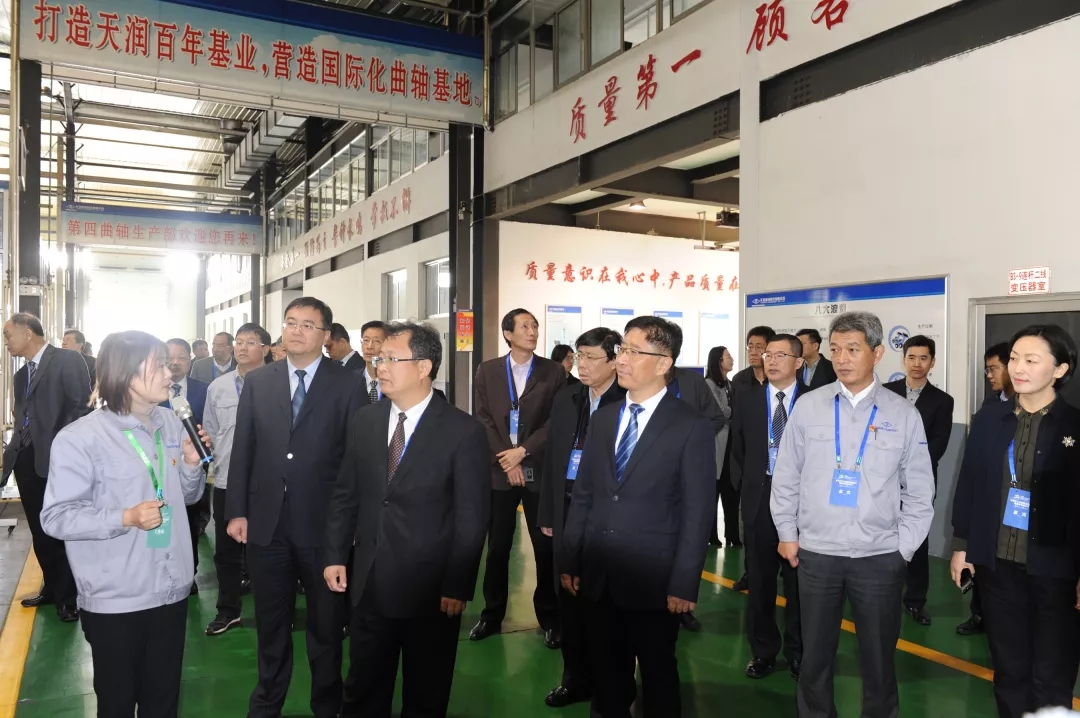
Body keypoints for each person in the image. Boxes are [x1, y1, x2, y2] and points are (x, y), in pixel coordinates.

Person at [771, 311, 935, 718]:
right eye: (836, 349)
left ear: (877, 353)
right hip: (817, 553)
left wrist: (903, 549)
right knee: (815, 658)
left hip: (879, 556)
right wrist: (787, 533)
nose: (842, 358)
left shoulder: (903, 414)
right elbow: (787, 475)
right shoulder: (809, 407)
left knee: (879, 661)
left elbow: (919, 490)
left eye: (853, 349)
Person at [40, 330, 209, 718]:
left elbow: (186, 497)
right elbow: (56, 516)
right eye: (159, 366)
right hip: (117, 596)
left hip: (170, 589)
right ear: (127, 373)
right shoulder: (80, 438)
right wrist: (125, 517)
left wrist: (189, 464)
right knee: (117, 702)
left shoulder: (171, 423)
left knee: (162, 700)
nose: (170, 373)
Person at [325, 322, 489, 718]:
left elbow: (471, 519)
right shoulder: (366, 420)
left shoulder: (462, 431)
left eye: (390, 359)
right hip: (369, 581)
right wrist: (335, 556)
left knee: (425, 693)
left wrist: (457, 583)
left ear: (423, 367)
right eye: (379, 358)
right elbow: (346, 494)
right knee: (363, 688)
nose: (379, 366)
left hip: (429, 591)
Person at [561, 316, 714, 718]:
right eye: (621, 350)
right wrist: (571, 559)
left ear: (663, 363)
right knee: (607, 674)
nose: (622, 359)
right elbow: (585, 495)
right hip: (599, 575)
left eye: (633, 351)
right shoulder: (604, 418)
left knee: (658, 673)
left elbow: (697, 513)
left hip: (654, 580)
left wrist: (684, 582)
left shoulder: (690, 426)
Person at [225, 297, 367, 718]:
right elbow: (244, 448)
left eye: (308, 324)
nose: (297, 330)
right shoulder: (259, 381)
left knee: (326, 627)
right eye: (290, 322)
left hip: (324, 527)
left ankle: (328, 704)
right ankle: (267, 702)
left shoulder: (347, 383)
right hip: (266, 524)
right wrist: (237, 510)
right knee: (271, 623)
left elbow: (356, 459)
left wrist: (352, 523)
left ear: (326, 335)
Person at [950, 325, 1080, 718]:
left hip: (1056, 569)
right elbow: (970, 481)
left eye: (1031, 360)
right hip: (998, 566)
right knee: (1009, 670)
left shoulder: (1074, 426)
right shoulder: (990, 419)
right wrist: (962, 544)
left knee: (1052, 674)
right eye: (1013, 359)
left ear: (1060, 369)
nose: (1017, 368)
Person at [538, 327, 625, 710]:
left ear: (615, 360)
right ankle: (574, 680)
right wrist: (548, 512)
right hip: (567, 512)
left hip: (606, 517)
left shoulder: (626, 401)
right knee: (568, 603)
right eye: (579, 356)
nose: (582, 365)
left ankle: (611, 687)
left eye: (591, 358)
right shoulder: (567, 397)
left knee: (603, 608)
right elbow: (553, 459)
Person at [470, 308, 564, 647]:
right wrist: (506, 459)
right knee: (497, 548)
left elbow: (556, 420)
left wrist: (522, 452)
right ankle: (491, 615)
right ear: (508, 334)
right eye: (525, 326)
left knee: (544, 547)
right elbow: (482, 418)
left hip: (538, 468)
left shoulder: (553, 371)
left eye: (535, 325)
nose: (533, 330)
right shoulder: (488, 370)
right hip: (499, 470)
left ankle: (550, 618)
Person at [2, 313, 91, 622]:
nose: (6, 342)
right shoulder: (20, 376)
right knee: (40, 532)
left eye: (8, 334)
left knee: (61, 529)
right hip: (25, 460)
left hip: (59, 460)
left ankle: (69, 597)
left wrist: (61, 449)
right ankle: (53, 588)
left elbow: (81, 407)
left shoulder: (67, 360)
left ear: (28, 333)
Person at [732, 334, 807, 680]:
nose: (771, 361)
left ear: (798, 362)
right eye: (768, 354)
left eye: (780, 355)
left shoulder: (815, 401)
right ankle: (763, 651)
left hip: (802, 502)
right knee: (760, 581)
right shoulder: (747, 400)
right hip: (760, 496)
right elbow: (739, 451)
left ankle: (798, 652)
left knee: (798, 583)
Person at [202, 323, 270, 635]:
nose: (242, 347)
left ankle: (273, 612)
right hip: (228, 480)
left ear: (265, 349)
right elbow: (211, 430)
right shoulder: (218, 387)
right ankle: (227, 610)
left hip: (268, 483)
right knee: (226, 552)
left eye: (250, 342)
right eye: (239, 342)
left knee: (268, 551)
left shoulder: (281, 384)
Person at [884, 335, 955, 626]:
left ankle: (915, 600)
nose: (917, 363)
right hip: (881, 479)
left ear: (932, 362)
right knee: (881, 535)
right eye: (912, 357)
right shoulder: (884, 392)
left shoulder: (942, 401)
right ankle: (879, 592)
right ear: (904, 359)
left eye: (923, 358)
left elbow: (938, 444)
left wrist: (906, 465)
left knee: (917, 539)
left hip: (919, 482)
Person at [959, 342, 1015, 637]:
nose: (989, 375)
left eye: (994, 369)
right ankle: (979, 615)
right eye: (987, 370)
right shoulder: (990, 408)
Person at [161, 338, 210, 582]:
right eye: (169, 358)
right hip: (161, 465)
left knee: (190, 522)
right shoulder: (153, 391)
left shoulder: (204, 389)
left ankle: (189, 574)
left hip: (192, 463)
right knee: (162, 524)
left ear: (190, 360)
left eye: (181, 357)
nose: (175, 362)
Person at [705, 346, 737, 548]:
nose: (732, 359)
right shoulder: (709, 384)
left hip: (731, 443)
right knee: (713, 492)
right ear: (719, 361)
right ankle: (712, 536)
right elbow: (721, 411)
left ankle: (732, 535)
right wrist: (735, 410)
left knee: (730, 490)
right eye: (728, 356)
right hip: (717, 443)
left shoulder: (730, 384)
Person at [359, 321, 388, 403]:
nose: (369, 346)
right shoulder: (351, 380)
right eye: (366, 340)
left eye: (376, 341)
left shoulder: (394, 380)